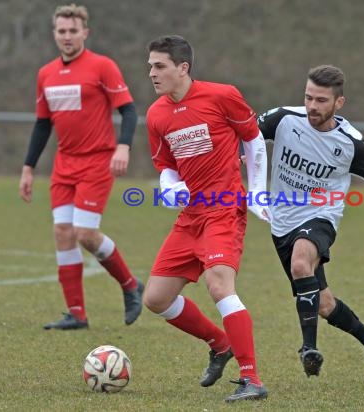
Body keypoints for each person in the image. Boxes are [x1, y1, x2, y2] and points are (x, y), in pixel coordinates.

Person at [257, 65, 364, 383]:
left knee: (301, 262)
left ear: (338, 103)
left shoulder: (350, 143)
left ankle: (308, 349)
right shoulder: (282, 119)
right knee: (323, 303)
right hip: (281, 222)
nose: (312, 106)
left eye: (321, 100)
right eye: (308, 97)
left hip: (321, 218)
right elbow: (245, 135)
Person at [144, 35, 270, 403]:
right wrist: (169, 186)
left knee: (219, 285)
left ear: (183, 68)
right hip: (191, 216)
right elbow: (166, 165)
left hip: (224, 207)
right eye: (150, 65)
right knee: (155, 298)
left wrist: (258, 191)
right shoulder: (156, 114)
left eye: (159, 66)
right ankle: (219, 343)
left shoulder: (222, 95)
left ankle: (252, 378)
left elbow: (254, 139)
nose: (151, 73)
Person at [18, 4, 144, 330]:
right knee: (62, 232)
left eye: (73, 31)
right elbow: (42, 125)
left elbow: (129, 111)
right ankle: (76, 314)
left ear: (85, 32)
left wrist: (123, 146)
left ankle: (130, 285)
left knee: (85, 233)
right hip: (64, 165)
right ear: (55, 34)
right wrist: (28, 168)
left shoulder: (102, 66)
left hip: (97, 162)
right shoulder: (45, 74)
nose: (67, 36)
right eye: (62, 31)